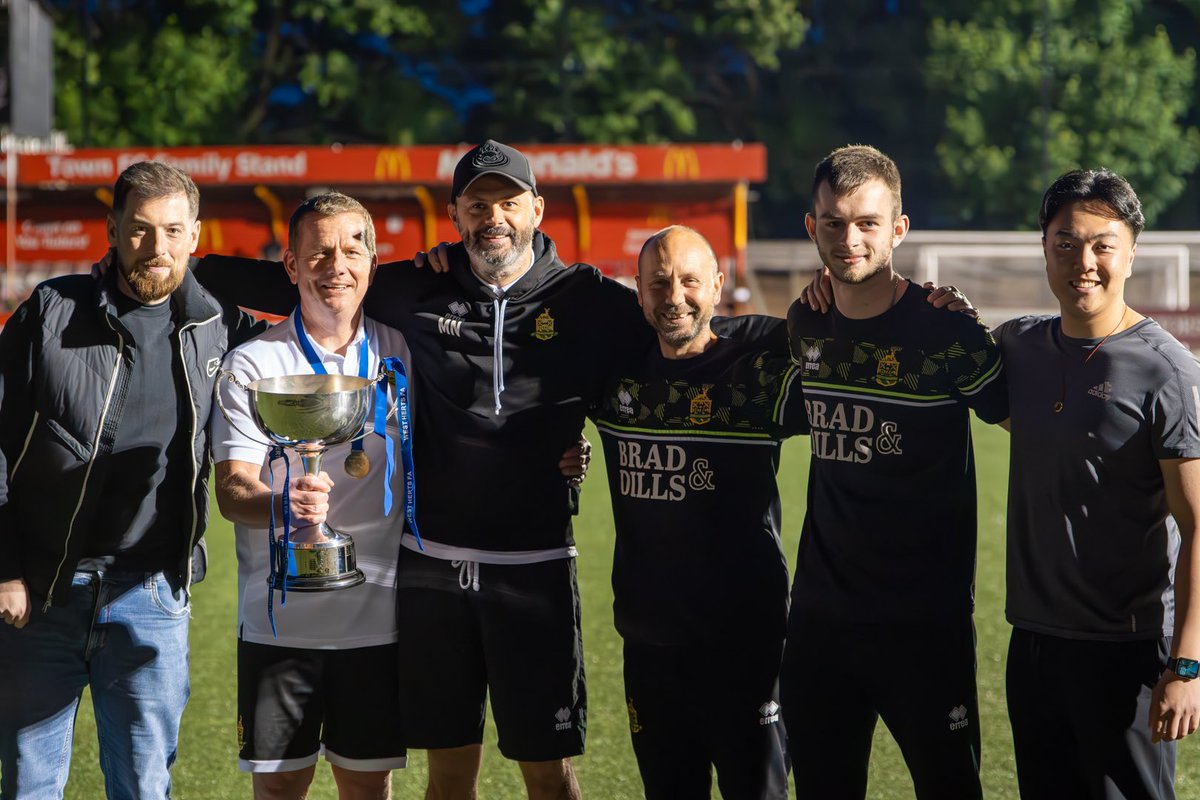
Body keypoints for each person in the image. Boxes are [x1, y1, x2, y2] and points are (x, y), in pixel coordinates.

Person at [193, 140, 653, 800]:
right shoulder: (419, 289)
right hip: (432, 569)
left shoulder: (590, 299)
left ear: (537, 209)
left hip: (535, 566)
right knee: (448, 774)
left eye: (508, 202)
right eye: (477, 205)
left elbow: (671, 337)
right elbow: (311, 276)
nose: (493, 216)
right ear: (457, 215)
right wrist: (181, 261)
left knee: (550, 774)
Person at [0, 161, 266, 799]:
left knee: (145, 788)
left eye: (174, 232)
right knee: (28, 787)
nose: (157, 248)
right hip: (42, 593)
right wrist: (6, 566)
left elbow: (314, 309)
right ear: (113, 229)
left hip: (152, 596)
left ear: (196, 236)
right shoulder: (51, 312)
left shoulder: (220, 326)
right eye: (141, 230)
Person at [780, 145, 1007, 800]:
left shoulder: (947, 333)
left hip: (924, 622)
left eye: (867, 222)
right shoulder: (806, 323)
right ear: (812, 227)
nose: (848, 239)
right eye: (833, 223)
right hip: (820, 622)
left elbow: (1037, 426)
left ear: (898, 229)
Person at [995, 169, 1200, 799]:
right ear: (1045, 247)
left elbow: (1197, 525)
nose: (1083, 262)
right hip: (1032, 644)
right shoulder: (1017, 348)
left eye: (1101, 245)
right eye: (1065, 243)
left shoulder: (1167, 370)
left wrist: (1186, 666)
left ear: (1131, 251)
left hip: (1129, 651)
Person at [590, 226, 804, 799]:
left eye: (689, 280)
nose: (674, 296)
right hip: (649, 641)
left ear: (717, 283)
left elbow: (832, 345)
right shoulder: (614, 379)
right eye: (659, 282)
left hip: (747, 640)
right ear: (638, 291)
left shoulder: (760, 373)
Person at [211, 193, 412, 799]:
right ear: (291, 266)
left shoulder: (401, 353)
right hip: (279, 625)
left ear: (374, 262)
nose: (336, 264)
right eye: (318, 251)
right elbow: (232, 489)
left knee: (367, 790)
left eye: (353, 247)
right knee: (278, 792)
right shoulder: (252, 363)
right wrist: (284, 507)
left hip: (380, 619)